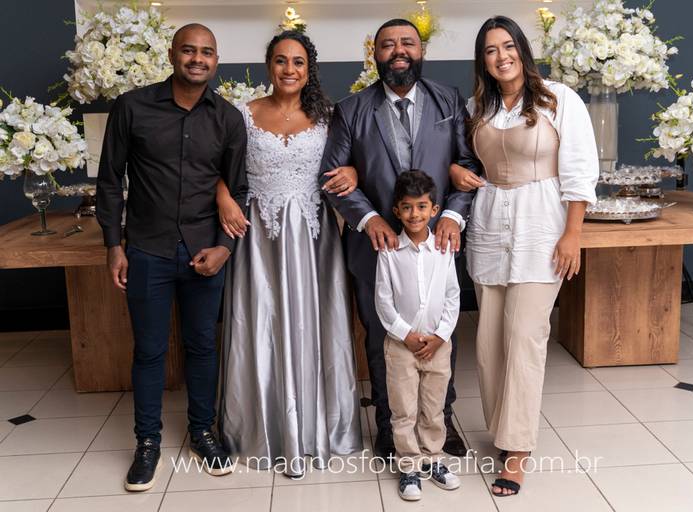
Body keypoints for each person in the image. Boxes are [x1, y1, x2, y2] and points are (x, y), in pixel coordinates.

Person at [449, 16, 598, 496]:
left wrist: (572, 234)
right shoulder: (477, 106)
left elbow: (579, 169)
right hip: (490, 225)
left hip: (542, 226)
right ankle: (503, 430)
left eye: (508, 46)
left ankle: (517, 450)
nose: (502, 57)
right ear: (483, 60)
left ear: (522, 50)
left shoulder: (559, 99)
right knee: (489, 342)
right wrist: (455, 170)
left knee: (525, 337)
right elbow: (464, 162)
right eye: (491, 50)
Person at [320, 18, 480, 459]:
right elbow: (331, 177)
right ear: (375, 54)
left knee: (441, 332)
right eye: (388, 45)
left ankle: (441, 419)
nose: (399, 51)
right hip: (377, 248)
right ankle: (390, 425)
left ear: (421, 51)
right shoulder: (351, 110)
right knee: (381, 338)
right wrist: (369, 218)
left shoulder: (449, 100)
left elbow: (468, 164)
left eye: (407, 42)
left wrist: (453, 215)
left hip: (437, 245)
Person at [96, 24, 246, 491]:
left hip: (205, 250)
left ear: (216, 60)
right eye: (189, 50)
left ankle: (203, 432)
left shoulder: (227, 118)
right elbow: (110, 180)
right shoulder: (132, 107)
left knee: (202, 346)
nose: (197, 59)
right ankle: (147, 443)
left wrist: (225, 248)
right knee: (149, 350)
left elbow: (239, 189)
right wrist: (114, 246)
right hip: (147, 250)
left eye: (207, 52)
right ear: (172, 54)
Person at [215, 31, 362, 477]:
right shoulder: (243, 114)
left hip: (314, 235)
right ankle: (263, 430)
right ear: (269, 65)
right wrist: (224, 199)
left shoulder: (329, 117)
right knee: (259, 321)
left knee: (313, 321)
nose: (289, 69)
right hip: (258, 232)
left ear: (309, 68)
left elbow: (355, 158)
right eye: (281, 61)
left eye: (298, 62)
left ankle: (316, 430)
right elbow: (214, 164)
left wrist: (353, 171)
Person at [375, 170, 461, 501]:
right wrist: (405, 335)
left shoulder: (443, 249)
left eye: (422, 206)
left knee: (433, 407)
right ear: (397, 211)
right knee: (403, 409)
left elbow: (452, 295)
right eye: (408, 207)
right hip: (401, 347)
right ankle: (409, 466)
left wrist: (440, 336)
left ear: (434, 209)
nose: (415, 214)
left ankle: (433, 458)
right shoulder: (389, 252)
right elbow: (383, 300)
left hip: (438, 345)